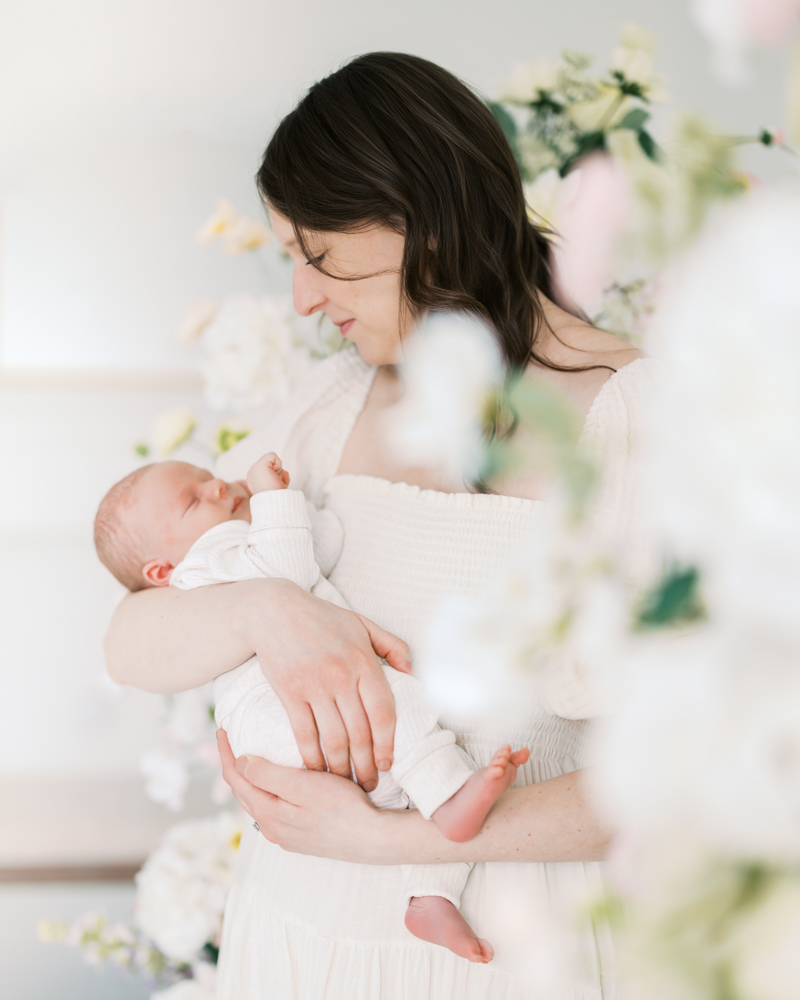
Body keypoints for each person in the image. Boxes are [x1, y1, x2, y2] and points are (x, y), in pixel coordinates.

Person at [105, 52, 653, 999]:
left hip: (512, 955)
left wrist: (386, 840)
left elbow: (679, 769)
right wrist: (270, 613)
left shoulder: (638, 420)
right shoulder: (332, 401)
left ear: (419, 219)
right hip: (296, 937)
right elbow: (131, 636)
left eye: (317, 255)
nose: (303, 301)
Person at [93, 451, 530, 962]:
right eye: (194, 499)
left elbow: (324, 543)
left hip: (289, 731)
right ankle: (450, 802)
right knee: (400, 708)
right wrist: (274, 499)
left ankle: (431, 897)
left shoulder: (239, 538)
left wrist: (286, 508)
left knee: (416, 782)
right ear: (163, 569)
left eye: (209, 478)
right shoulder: (207, 562)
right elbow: (286, 571)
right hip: (279, 717)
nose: (216, 488)